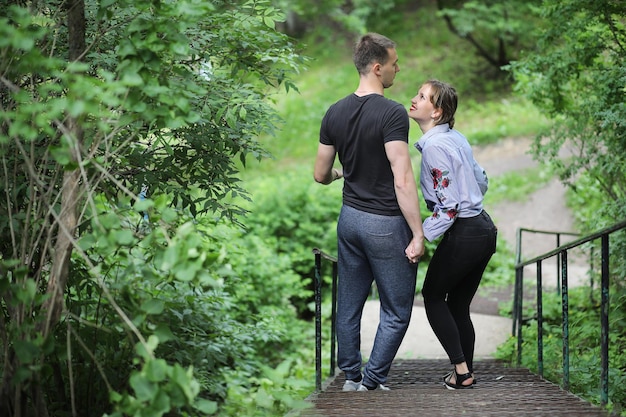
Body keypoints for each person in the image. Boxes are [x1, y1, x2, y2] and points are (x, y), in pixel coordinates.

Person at [314, 33, 425, 392]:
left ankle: (351, 378)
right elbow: (403, 177)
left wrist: (340, 174)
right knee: (396, 308)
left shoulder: (334, 112)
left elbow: (320, 174)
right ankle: (373, 380)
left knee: (348, 304)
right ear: (377, 68)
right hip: (384, 224)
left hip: (349, 220)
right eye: (394, 63)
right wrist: (418, 232)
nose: (397, 68)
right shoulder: (392, 113)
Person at [408, 79, 497, 389]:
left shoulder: (434, 147)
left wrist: (419, 236)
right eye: (417, 94)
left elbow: (448, 208)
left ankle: (461, 370)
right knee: (458, 305)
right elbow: (481, 180)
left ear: (437, 112)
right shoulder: (455, 137)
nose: (414, 99)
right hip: (484, 228)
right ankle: (465, 372)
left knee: (432, 296)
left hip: (465, 232)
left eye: (422, 97)